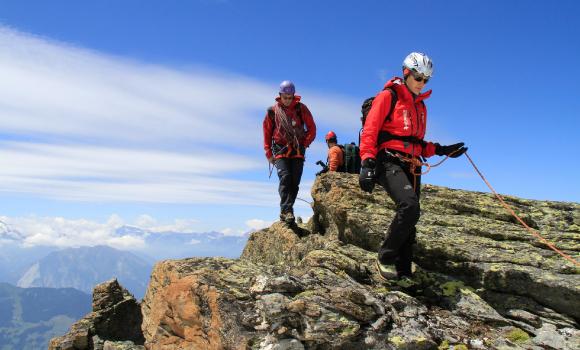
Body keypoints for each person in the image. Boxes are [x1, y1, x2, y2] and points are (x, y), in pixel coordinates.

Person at [359, 52, 467, 280]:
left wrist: (443, 150)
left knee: (411, 216)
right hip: (387, 160)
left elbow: (416, 143)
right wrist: (367, 162)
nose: (422, 83)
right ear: (406, 73)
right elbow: (370, 130)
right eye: (419, 78)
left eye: (427, 79)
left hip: (412, 165)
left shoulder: (420, 106)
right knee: (409, 206)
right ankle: (385, 257)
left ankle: (404, 270)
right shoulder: (388, 97)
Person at [263, 80, 316, 224]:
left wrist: (304, 143)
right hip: (280, 149)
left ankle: (287, 210)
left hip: (298, 149)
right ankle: (286, 211)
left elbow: (312, 129)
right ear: (280, 95)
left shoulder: (301, 109)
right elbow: (267, 132)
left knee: (294, 182)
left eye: (290, 97)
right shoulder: (272, 111)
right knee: (285, 177)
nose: (287, 100)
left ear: (293, 96)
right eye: (285, 97)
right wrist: (268, 152)